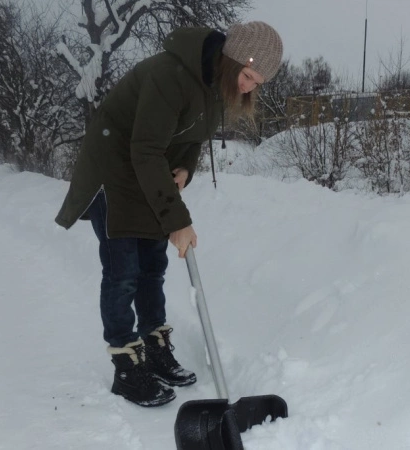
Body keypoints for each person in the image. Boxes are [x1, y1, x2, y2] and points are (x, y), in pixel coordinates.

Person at [54, 22, 283, 407]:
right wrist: (178, 220)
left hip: (147, 171)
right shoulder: (170, 75)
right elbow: (144, 149)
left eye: (257, 83)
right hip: (114, 171)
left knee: (151, 267)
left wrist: (186, 170)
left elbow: (191, 137)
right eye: (247, 75)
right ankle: (127, 365)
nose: (249, 87)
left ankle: (154, 348)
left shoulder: (212, 87)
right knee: (123, 272)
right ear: (230, 61)